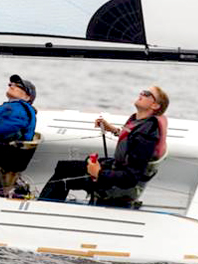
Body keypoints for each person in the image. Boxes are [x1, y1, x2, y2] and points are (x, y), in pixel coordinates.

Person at [38, 86, 169, 207]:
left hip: (117, 186)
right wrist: (111, 129)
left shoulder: (146, 135)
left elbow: (130, 178)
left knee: (64, 173)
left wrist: (99, 173)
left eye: (147, 94)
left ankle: (43, 209)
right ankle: (48, 205)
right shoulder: (142, 124)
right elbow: (131, 138)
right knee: (65, 167)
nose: (141, 94)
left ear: (155, 105)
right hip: (114, 171)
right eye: (142, 91)